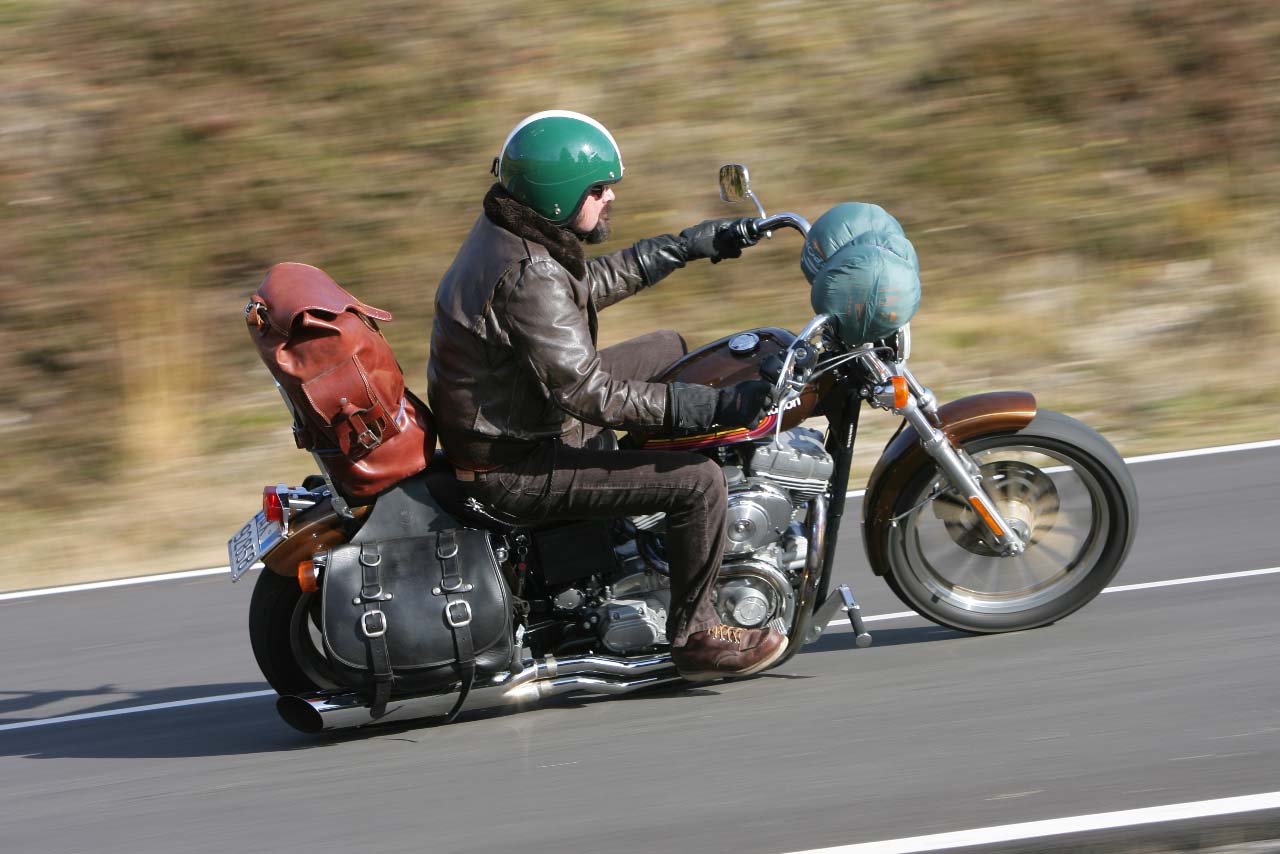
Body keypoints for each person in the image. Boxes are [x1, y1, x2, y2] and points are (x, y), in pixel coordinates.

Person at [427, 110, 786, 679]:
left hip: (521, 413)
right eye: (597, 189)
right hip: (516, 464)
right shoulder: (528, 272)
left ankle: (640, 525)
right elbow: (586, 392)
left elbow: (583, 288)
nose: (610, 196)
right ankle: (697, 635)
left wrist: (687, 246)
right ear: (557, 194)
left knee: (667, 346)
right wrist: (712, 408)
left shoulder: (516, 236)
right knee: (700, 482)